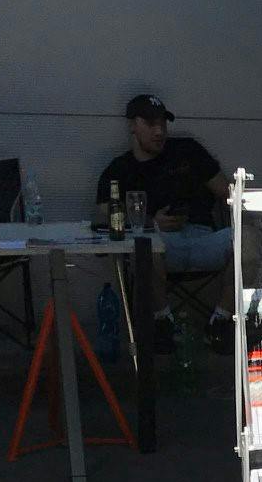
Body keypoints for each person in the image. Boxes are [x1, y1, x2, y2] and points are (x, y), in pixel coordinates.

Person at [94, 94, 237, 351]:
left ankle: (221, 321)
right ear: (132, 125)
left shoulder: (187, 151)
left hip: (204, 237)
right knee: (144, 244)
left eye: (162, 123)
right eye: (150, 124)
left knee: (249, 238)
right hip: (160, 246)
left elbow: (229, 195)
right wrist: (152, 222)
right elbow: (104, 215)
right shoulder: (120, 170)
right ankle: (162, 323)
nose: (159, 131)